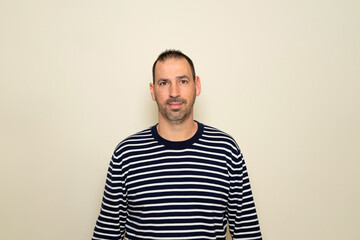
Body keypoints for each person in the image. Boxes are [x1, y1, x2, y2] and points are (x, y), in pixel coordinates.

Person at [92, 50, 262, 240]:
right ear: (153, 91)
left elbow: (249, 234)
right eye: (164, 83)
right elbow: (105, 235)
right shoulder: (126, 154)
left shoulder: (226, 151)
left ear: (197, 86)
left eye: (183, 81)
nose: (174, 92)